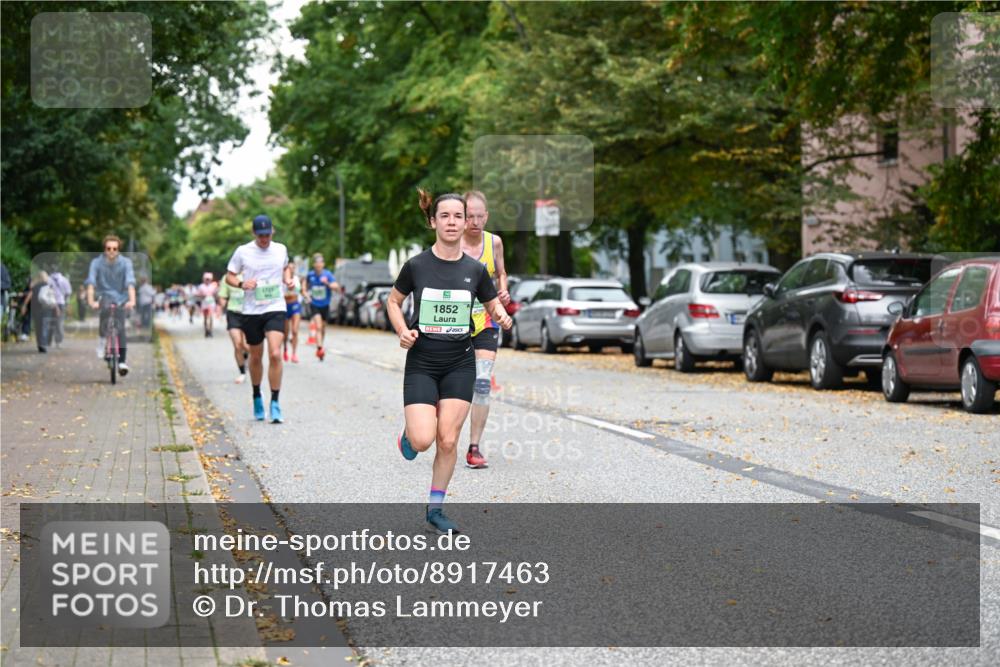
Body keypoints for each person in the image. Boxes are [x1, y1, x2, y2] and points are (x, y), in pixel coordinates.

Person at [386, 190, 512, 534]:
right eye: (445, 216)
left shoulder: (475, 269)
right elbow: (393, 302)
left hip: (460, 362)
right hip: (423, 363)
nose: (453, 222)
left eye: (459, 216)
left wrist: (501, 316)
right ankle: (410, 438)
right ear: (433, 222)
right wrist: (402, 331)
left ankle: (436, 508)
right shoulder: (416, 266)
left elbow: (490, 305)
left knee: (447, 440)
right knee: (425, 439)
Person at [225, 214, 294, 423]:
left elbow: (285, 267)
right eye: (261, 235)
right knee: (255, 356)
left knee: (275, 354)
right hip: (251, 310)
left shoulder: (280, 249)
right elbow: (230, 274)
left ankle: (275, 401)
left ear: (272, 231)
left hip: (275, 306)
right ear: (254, 233)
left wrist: (288, 280)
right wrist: (241, 284)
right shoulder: (243, 251)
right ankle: (256, 394)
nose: (265, 239)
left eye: (268, 234)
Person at [460, 191, 510, 469]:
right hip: (455, 322)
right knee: (451, 384)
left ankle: (474, 447)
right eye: (470, 216)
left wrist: (502, 291)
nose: (475, 222)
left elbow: (501, 272)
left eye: (480, 216)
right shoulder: (452, 242)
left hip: (487, 320)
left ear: (487, 216)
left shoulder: (495, 242)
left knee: (481, 382)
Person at [85, 235, 136, 375]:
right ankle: (102, 342)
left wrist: (132, 300)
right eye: (109, 248)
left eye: (115, 248)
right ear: (104, 249)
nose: (112, 251)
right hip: (104, 296)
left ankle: (122, 362)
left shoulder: (126, 263)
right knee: (105, 313)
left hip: (121, 298)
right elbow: (91, 283)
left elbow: (130, 282)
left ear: (119, 250)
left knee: (121, 329)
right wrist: (91, 301)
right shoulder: (96, 263)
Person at [304, 253, 338, 361]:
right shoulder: (310, 275)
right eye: (316, 263)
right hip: (314, 304)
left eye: (320, 263)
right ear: (314, 264)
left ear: (323, 264)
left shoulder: (327, 274)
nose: (318, 265)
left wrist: (327, 283)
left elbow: (336, 286)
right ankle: (319, 348)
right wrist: (306, 295)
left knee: (323, 328)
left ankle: (320, 346)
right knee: (318, 326)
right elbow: (304, 287)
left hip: (325, 305)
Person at [218, 273, 250, 383]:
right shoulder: (227, 277)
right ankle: (242, 373)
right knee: (237, 344)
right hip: (233, 313)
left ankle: (247, 355)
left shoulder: (250, 273)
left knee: (246, 345)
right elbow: (223, 295)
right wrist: (222, 303)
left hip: (248, 313)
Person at [48, 267, 72, 348]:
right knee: (59, 323)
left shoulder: (48, 279)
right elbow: (68, 293)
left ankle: (48, 341)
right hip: (61, 303)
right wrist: (65, 301)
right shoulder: (64, 280)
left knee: (49, 322)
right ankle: (58, 341)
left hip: (49, 303)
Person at [283, 271, 304, 363]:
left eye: (293, 267)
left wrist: (306, 295)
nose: (291, 269)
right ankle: (285, 349)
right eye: (289, 267)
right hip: (285, 306)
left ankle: (294, 354)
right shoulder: (280, 278)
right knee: (286, 333)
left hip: (295, 305)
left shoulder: (297, 278)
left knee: (295, 331)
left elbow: (302, 291)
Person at [197, 272, 218, 337]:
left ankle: (210, 331)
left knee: (211, 317)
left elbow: (216, 295)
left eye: (208, 279)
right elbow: (198, 295)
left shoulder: (213, 286)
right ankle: (206, 330)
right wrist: (202, 296)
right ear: (204, 279)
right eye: (206, 279)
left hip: (211, 303)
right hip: (204, 303)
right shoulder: (201, 286)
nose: (207, 280)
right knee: (205, 318)